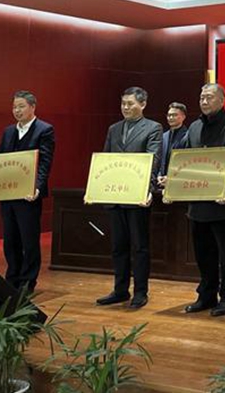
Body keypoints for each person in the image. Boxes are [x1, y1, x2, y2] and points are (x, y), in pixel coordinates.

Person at [0, 90, 55, 292]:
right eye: (14, 107)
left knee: (29, 240)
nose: (17, 111)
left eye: (21, 106)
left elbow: (45, 163)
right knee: (10, 240)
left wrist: (37, 187)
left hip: (29, 195)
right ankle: (12, 279)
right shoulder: (8, 131)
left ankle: (28, 282)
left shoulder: (44, 130)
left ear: (32, 107)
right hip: (8, 194)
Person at [181, 83, 225, 317]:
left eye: (209, 97)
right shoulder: (195, 127)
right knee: (203, 252)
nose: (204, 101)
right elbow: (185, 158)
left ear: (221, 100)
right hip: (198, 201)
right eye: (201, 97)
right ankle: (206, 295)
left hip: (223, 201)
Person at [95, 87, 162, 309]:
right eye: (123, 103)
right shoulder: (113, 129)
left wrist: (147, 190)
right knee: (118, 246)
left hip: (136, 196)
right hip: (115, 194)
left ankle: (140, 292)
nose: (125, 107)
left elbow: (153, 160)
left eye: (130, 103)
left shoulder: (153, 127)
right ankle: (120, 290)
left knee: (139, 247)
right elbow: (105, 159)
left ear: (143, 104)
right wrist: (97, 188)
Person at [159, 102, 189, 177]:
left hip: (179, 177)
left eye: (174, 115)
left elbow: (186, 161)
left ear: (183, 117)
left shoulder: (188, 136)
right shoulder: (163, 136)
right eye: (169, 115)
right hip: (161, 178)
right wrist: (159, 175)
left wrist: (170, 176)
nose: (171, 118)